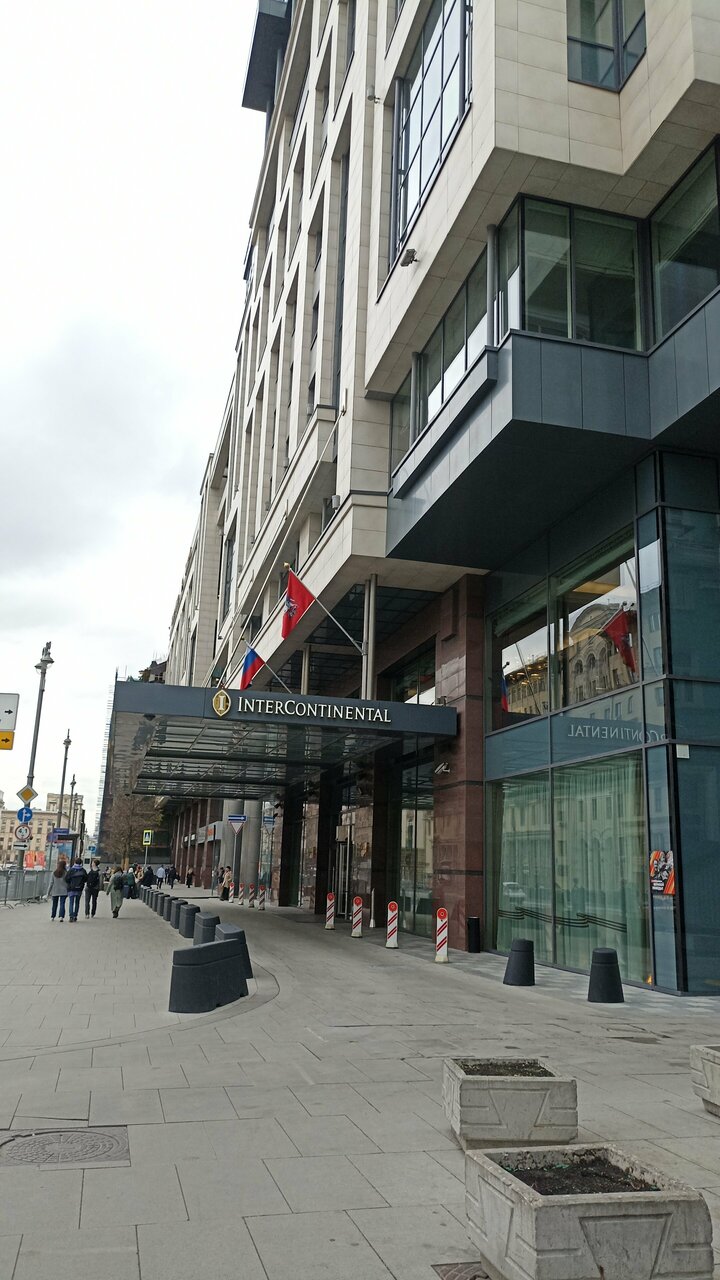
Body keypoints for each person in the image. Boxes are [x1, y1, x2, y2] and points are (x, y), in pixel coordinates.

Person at [66, 856, 87, 923]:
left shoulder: (71, 870)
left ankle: (71, 916)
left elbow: (66, 879)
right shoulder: (83, 870)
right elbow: (86, 879)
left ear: (75, 862)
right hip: (79, 889)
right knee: (77, 902)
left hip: (71, 888)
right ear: (81, 863)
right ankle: (75, 916)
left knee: (71, 902)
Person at [48, 857, 69, 921]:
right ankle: (61, 917)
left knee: (54, 904)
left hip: (55, 890)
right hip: (64, 891)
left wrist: (48, 892)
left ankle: (52, 916)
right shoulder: (66, 873)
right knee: (62, 904)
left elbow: (51, 883)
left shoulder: (54, 873)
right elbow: (68, 882)